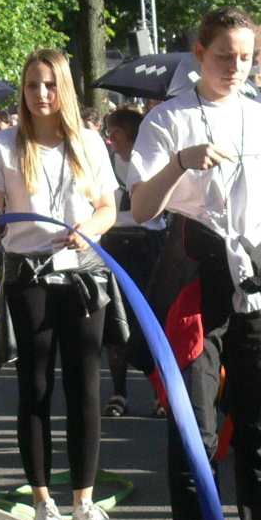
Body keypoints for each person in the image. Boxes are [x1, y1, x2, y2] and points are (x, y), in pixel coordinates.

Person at [128, 5, 261, 520]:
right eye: (224, 55)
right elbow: (142, 208)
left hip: (256, 273)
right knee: (196, 430)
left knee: (260, 423)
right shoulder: (168, 119)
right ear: (200, 53)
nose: (236, 66)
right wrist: (181, 162)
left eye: (246, 56)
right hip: (192, 273)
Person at [0, 49, 119, 520]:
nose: (41, 94)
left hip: (82, 273)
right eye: (33, 84)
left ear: (65, 89)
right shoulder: (2, 145)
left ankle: (84, 501)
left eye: (51, 84)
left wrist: (87, 231)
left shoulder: (88, 142)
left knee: (85, 388)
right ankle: (42, 503)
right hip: (28, 272)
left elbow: (107, 208)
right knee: (35, 388)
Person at [100, 105, 166, 418]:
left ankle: (160, 393)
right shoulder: (104, 163)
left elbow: (161, 208)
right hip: (115, 245)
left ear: (132, 133)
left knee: (153, 322)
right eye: (109, 130)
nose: (110, 136)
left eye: (116, 130)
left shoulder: (151, 162)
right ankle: (119, 393)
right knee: (117, 322)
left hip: (148, 246)